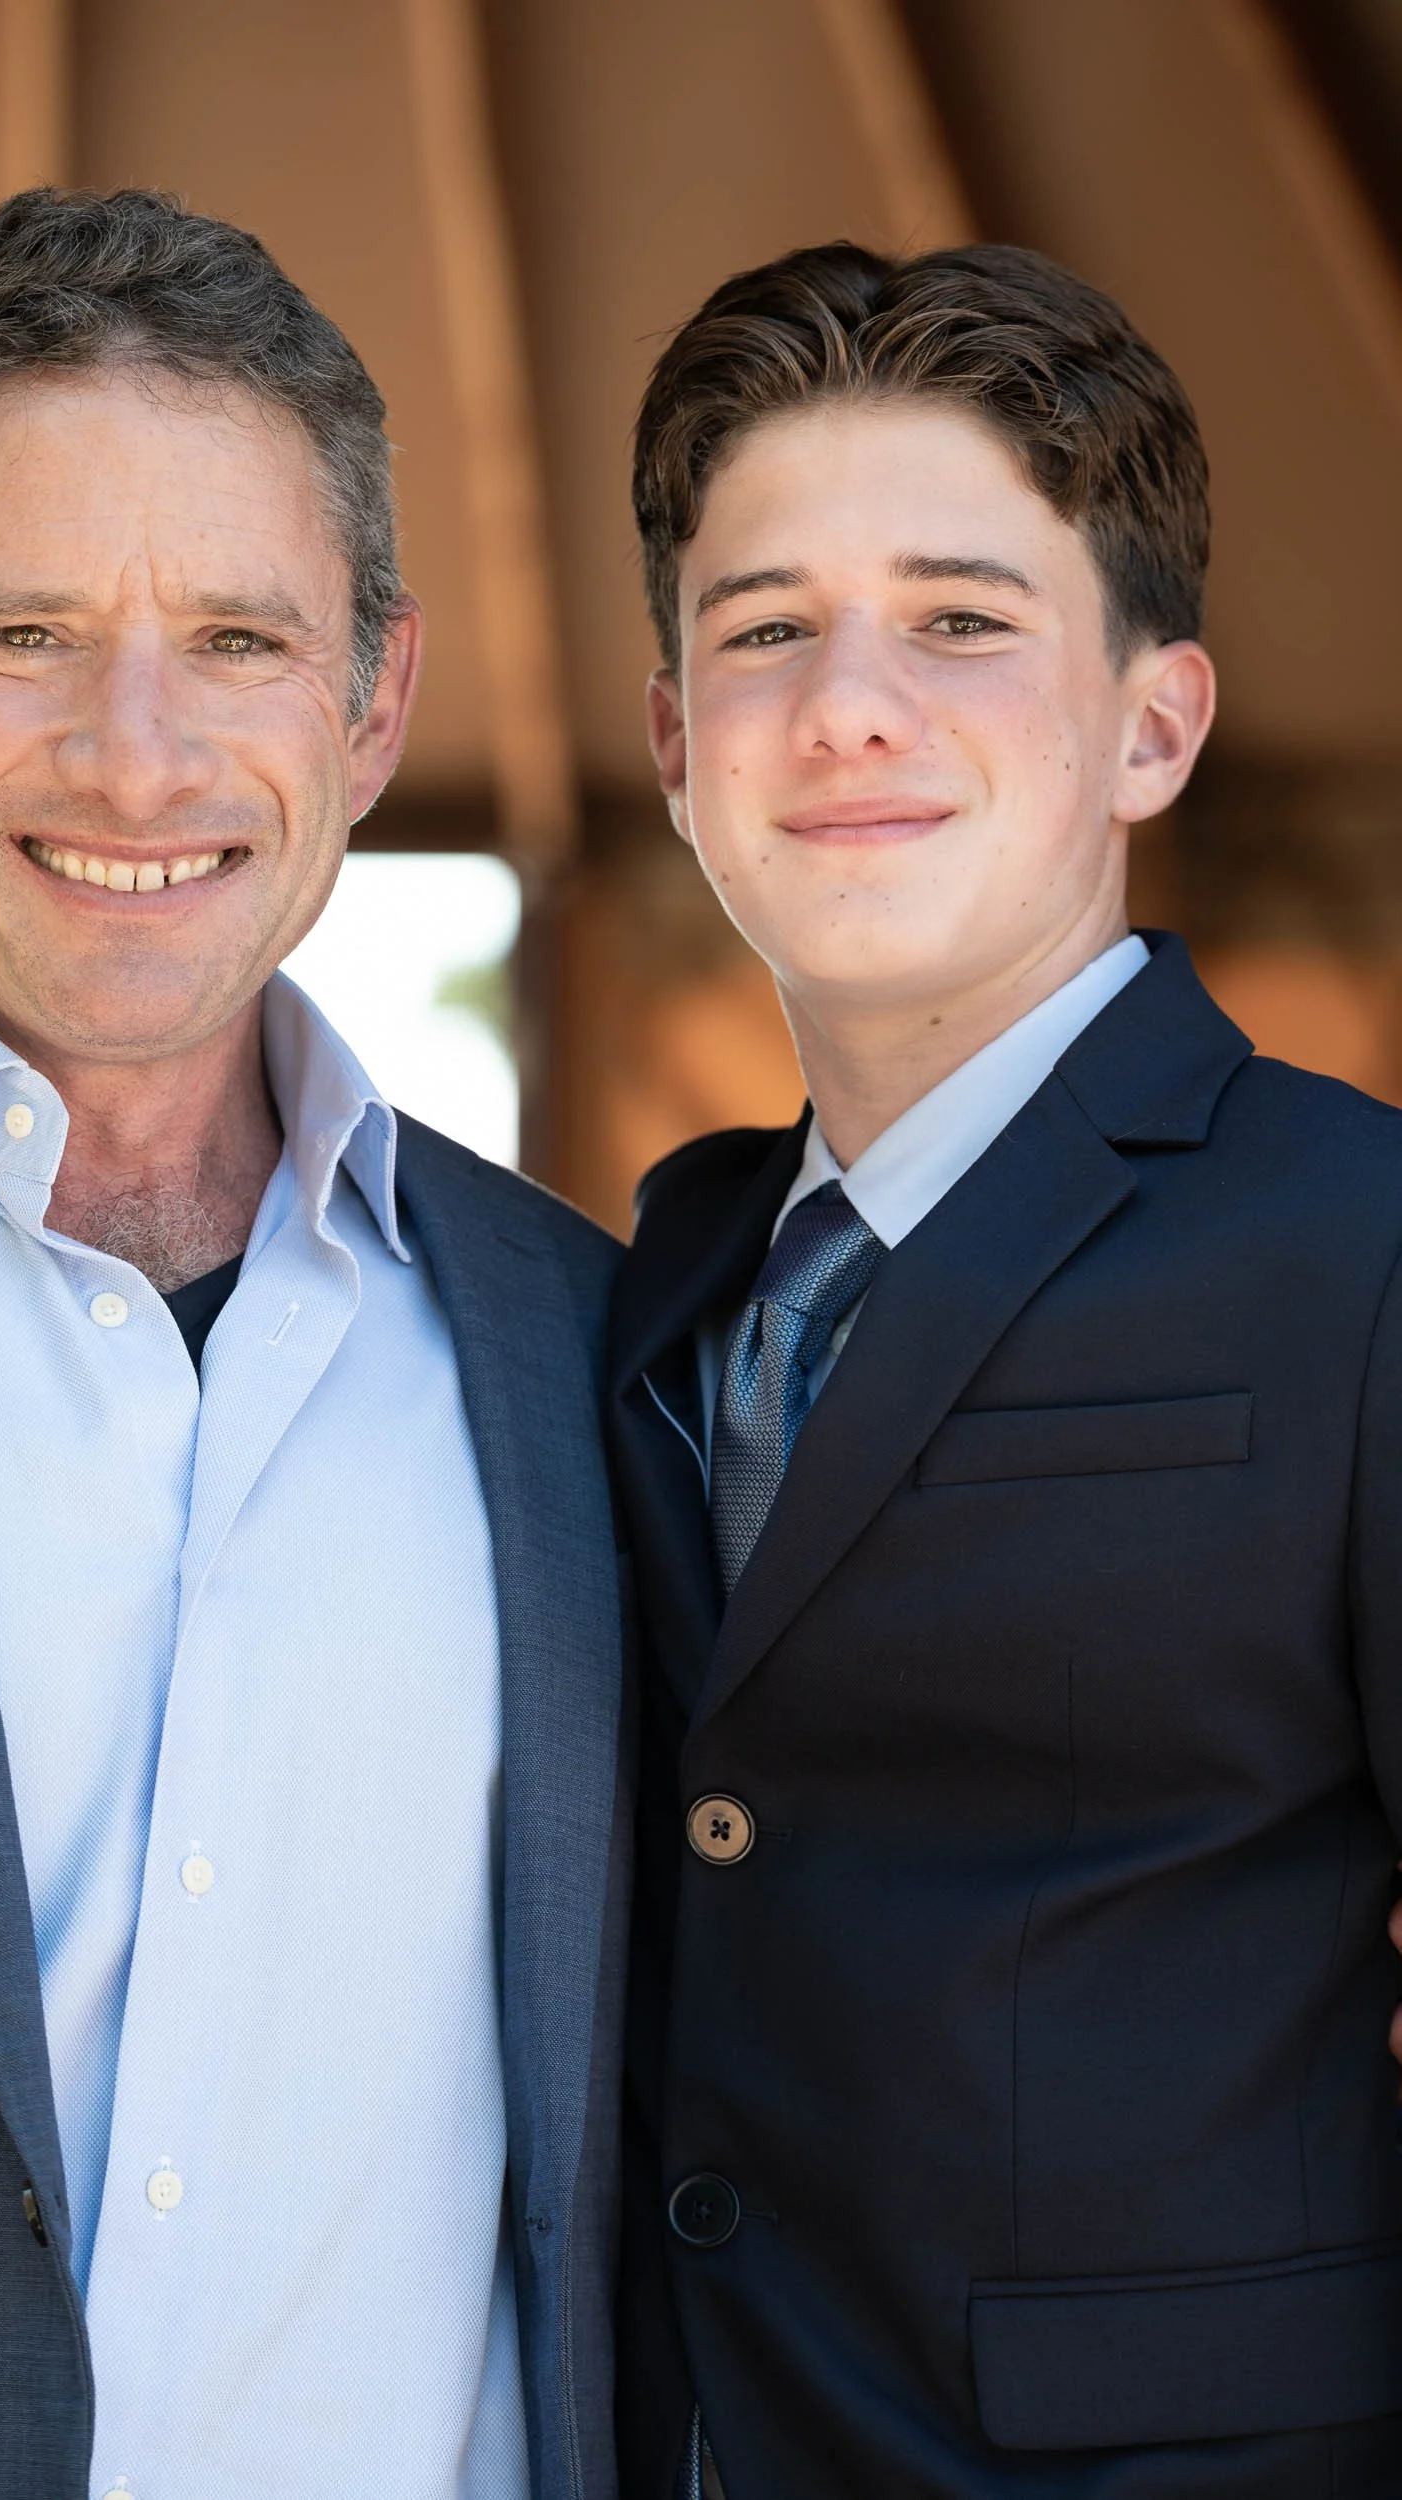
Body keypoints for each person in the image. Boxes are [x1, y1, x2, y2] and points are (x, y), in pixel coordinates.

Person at [0, 188, 626, 2500]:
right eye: (23, 631)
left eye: (238, 638)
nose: (138, 759)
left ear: (373, 702)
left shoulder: (589, 1352)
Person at [609, 239, 1402, 2497]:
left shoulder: (1362, 1248)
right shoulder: (652, 1272)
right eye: (765, 629)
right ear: (674, 749)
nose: (846, 707)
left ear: (1153, 723)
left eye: (961, 620)